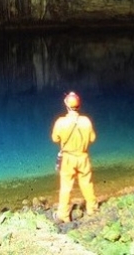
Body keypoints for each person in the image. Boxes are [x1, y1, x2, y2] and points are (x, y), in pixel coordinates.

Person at [51, 91, 97, 223]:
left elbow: (55, 138)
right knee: (86, 183)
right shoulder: (86, 121)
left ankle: (63, 215)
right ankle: (92, 208)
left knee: (66, 186)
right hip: (83, 157)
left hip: (68, 158)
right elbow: (93, 138)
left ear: (66, 106)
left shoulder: (60, 122)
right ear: (79, 106)